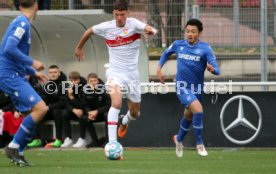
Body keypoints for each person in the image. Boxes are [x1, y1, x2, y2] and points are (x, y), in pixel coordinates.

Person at [75, 0, 157, 145]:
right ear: (113, 13)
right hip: (115, 72)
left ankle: (124, 122)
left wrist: (152, 31)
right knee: (117, 103)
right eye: (117, 14)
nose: (119, 18)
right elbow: (89, 31)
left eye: (122, 14)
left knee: (135, 113)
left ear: (127, 13)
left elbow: (148, 27)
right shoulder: (106, 27)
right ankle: (112, 143)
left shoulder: (133, 24)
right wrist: (79, 47)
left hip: (132, 75)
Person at [157, 18, 220, 157]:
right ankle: (199, 144)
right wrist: (159, 69)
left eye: (193, 31)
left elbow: (217, 70)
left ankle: (178, 140)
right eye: (188, 31)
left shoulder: (205, 48)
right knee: (198, 110)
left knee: (188, 115)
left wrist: (212, 69)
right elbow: (165, 53)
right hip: (182, 86)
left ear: (199, 33)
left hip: (197, 88)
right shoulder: (178, 45)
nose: (190, 34)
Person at [0, 0, 48, 166]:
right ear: (37, 7)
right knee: (41, 108)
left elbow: (12, 55)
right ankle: (12, 147)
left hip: (14, 74)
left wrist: (33, 72)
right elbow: (9, 49)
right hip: (9, 76)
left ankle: (19, 154)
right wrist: (32, 62)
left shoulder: (19, 21)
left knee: (30, 114)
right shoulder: (22, 23)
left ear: (19, 6)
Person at [28, 65, 68, 148]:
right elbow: (44, 99)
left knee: (56, 111)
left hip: (62, 110)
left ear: (59, 73)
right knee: (36, 113)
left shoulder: (64, 84)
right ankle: (37, 139)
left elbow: (63, 102)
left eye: (55, 72)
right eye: (50, 73)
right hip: (50, 109)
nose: (53, 74)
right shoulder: (47, 85)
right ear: (48, 74)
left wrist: (48, 107)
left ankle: (59, 139)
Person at [79, 73, 111, 148]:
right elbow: (84, 105)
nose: (93, 83)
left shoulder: (103, 90)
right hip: (92, 115)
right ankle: (95, 142)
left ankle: (107, 141)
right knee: (83, 118)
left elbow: (108, 105)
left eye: (95, 80)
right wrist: (89, 112)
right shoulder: (84, 91)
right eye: (91, 81)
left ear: (98, 81)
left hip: (102, 113)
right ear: (88, 83)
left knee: (107, 115)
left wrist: (97, 111)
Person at [60, 71, 87, 148]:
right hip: (74, 110)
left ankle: (82, 138)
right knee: (65, 114)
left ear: (79, 79)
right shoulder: (67, 87)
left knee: (82, 114)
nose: (73, 82)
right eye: (71, 80)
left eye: (75, 80)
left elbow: (83, 104)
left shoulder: (85, 87)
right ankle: (68, 138)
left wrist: (71, 97)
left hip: (83, 109)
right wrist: (73, 110)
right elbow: (66, 102)